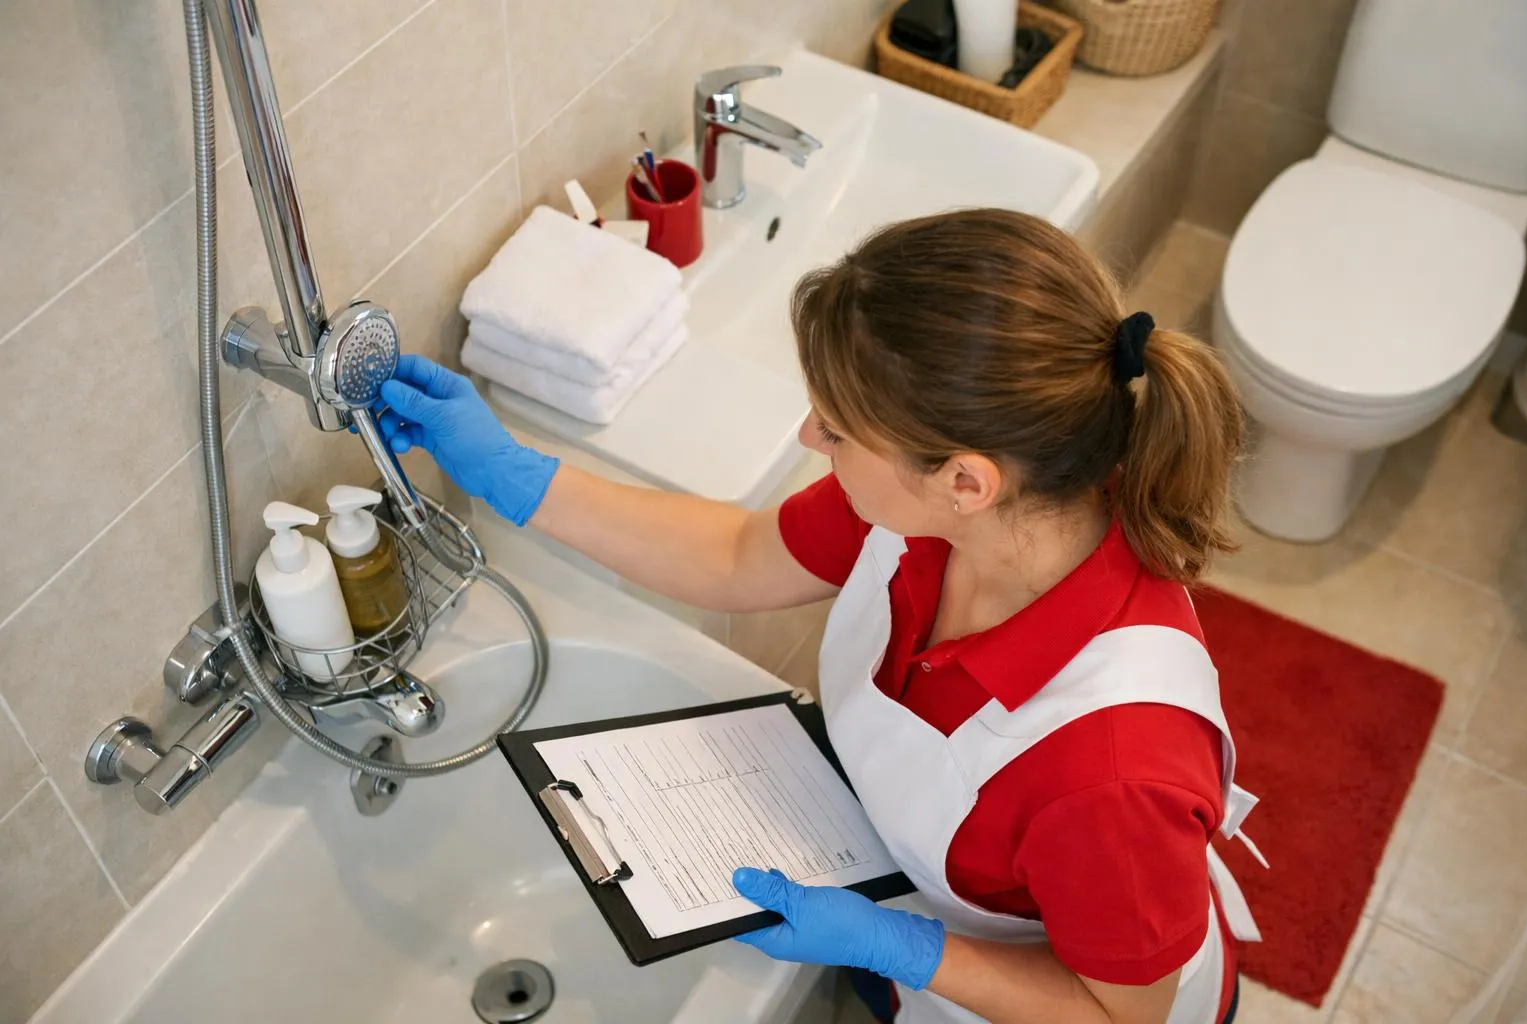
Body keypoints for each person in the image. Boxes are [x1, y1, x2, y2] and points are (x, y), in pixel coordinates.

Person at [377, 209, 1261, 1024]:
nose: (809, 437)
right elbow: (734, 555)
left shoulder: (1113, 768)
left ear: (965, 480)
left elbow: (1120, 1017)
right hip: (933, 909)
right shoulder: (959, 509)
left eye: (836, 428)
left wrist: (899, 948)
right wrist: (510, 472)